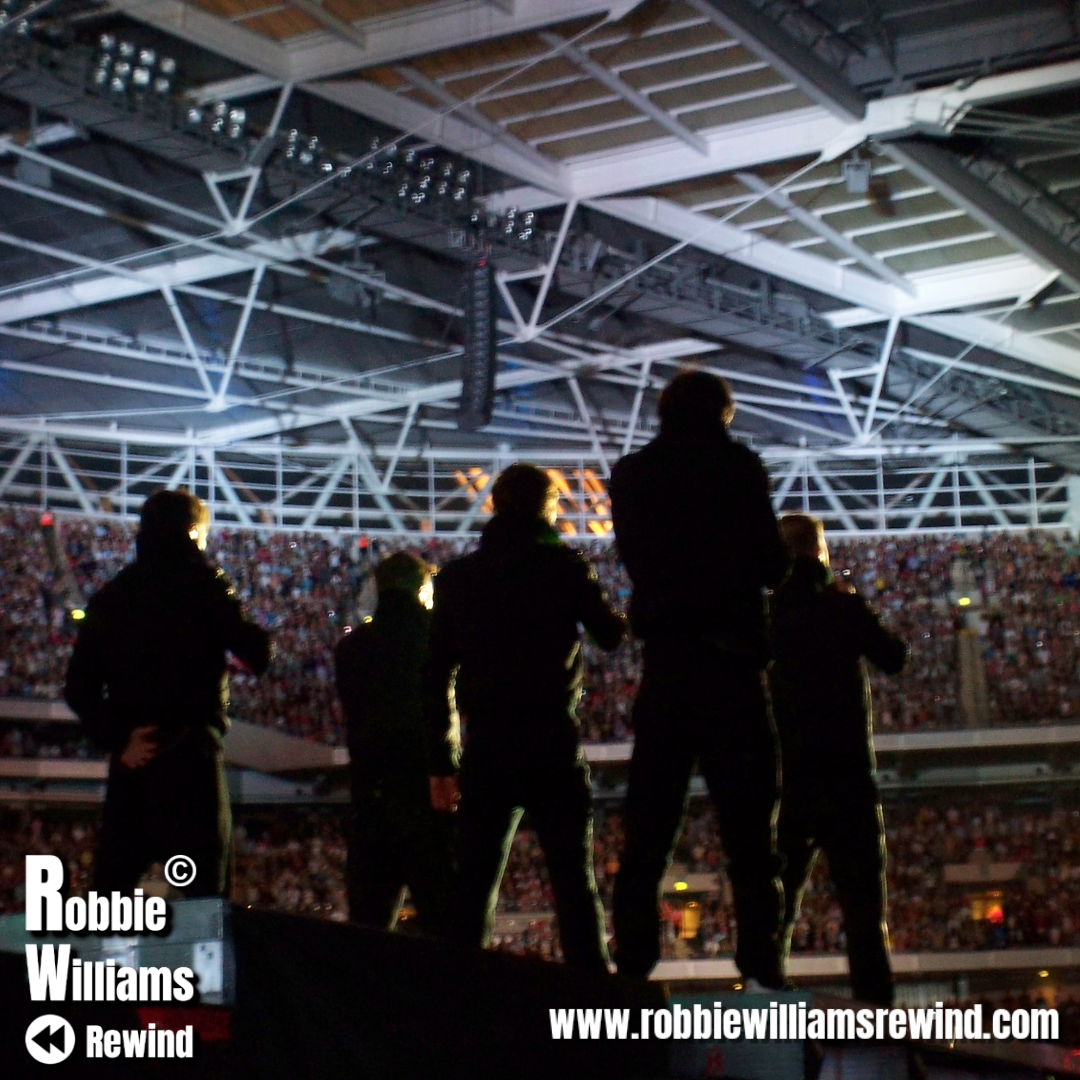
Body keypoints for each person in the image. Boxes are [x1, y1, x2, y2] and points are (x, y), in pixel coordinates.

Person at [609, 369, 789, 987]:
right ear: (723, 413)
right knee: (751, 836)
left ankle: (632, 969)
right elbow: (772, 566)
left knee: (647, 832)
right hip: (731, 669)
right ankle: (762, 965)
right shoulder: (739, 468)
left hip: (668, 667)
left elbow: (635, 559)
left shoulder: (633, 473)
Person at [425, 463, 626, 971]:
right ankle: (595, 1001)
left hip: (488, 748)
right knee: (574, 885)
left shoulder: (458, 579)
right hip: (551, 742)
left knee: (474, 889)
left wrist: (442, 762)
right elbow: (609, 635)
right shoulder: (565, 567)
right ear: (549, 509)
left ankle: (459, 1000)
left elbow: (435, 676)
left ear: (495, 505)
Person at [64, 489, 271, 897]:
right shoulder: (205, 587)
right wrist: (217, 587)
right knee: (207, 902)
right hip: (193, 761)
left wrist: (119, 739)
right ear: (193, 533)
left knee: (112, 901)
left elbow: (78, 688)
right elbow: (257, 654)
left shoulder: (112, 596)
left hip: (134, 761)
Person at [770, 513, 908, 1006]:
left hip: (792, 779)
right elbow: (894, 657)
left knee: (779, 902)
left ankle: (766, 999)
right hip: (848, 779)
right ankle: (876, 1014)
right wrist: (855, 606)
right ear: (819, 550)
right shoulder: (841, 606)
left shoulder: (768, 613)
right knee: (864, 910)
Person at [335, 552, 455, 936]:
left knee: (368, 936)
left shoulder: (351, 649)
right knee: (446, 931)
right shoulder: (438, 638)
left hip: (371, 801)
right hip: (428, 801)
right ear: (421, 589)